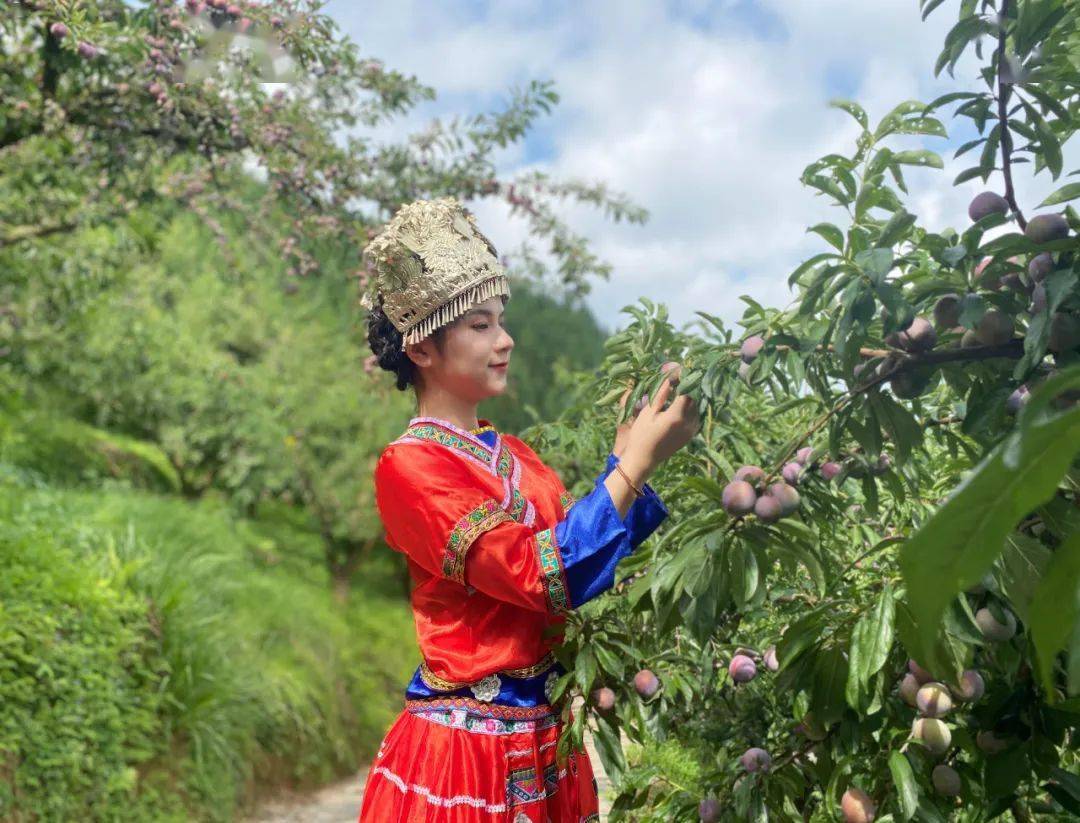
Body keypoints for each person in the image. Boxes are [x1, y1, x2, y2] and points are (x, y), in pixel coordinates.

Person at [357, 196, 700, 822]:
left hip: (546, 738)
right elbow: (540, 576)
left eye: (502, 320)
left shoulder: (514, 454)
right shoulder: (410, 467)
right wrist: (630, 471)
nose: (505, 340)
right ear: (423, 349)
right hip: (467, 749)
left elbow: (580, 565)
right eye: (479, 325)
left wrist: (625, 469)